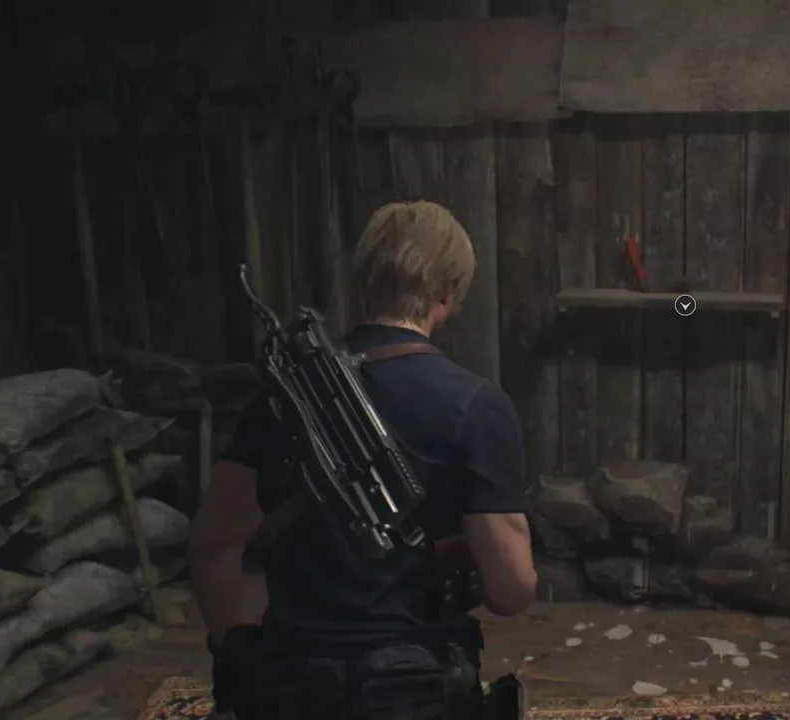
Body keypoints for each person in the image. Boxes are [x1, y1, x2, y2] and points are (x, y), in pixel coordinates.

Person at [188, 200, 538, 720]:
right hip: (418, 691)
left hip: (294, 688)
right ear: (448, 292)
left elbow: (213, 544)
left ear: (365, 279)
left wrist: (236, 655)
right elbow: (511, 591)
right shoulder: (477, 406)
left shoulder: (286, 395)